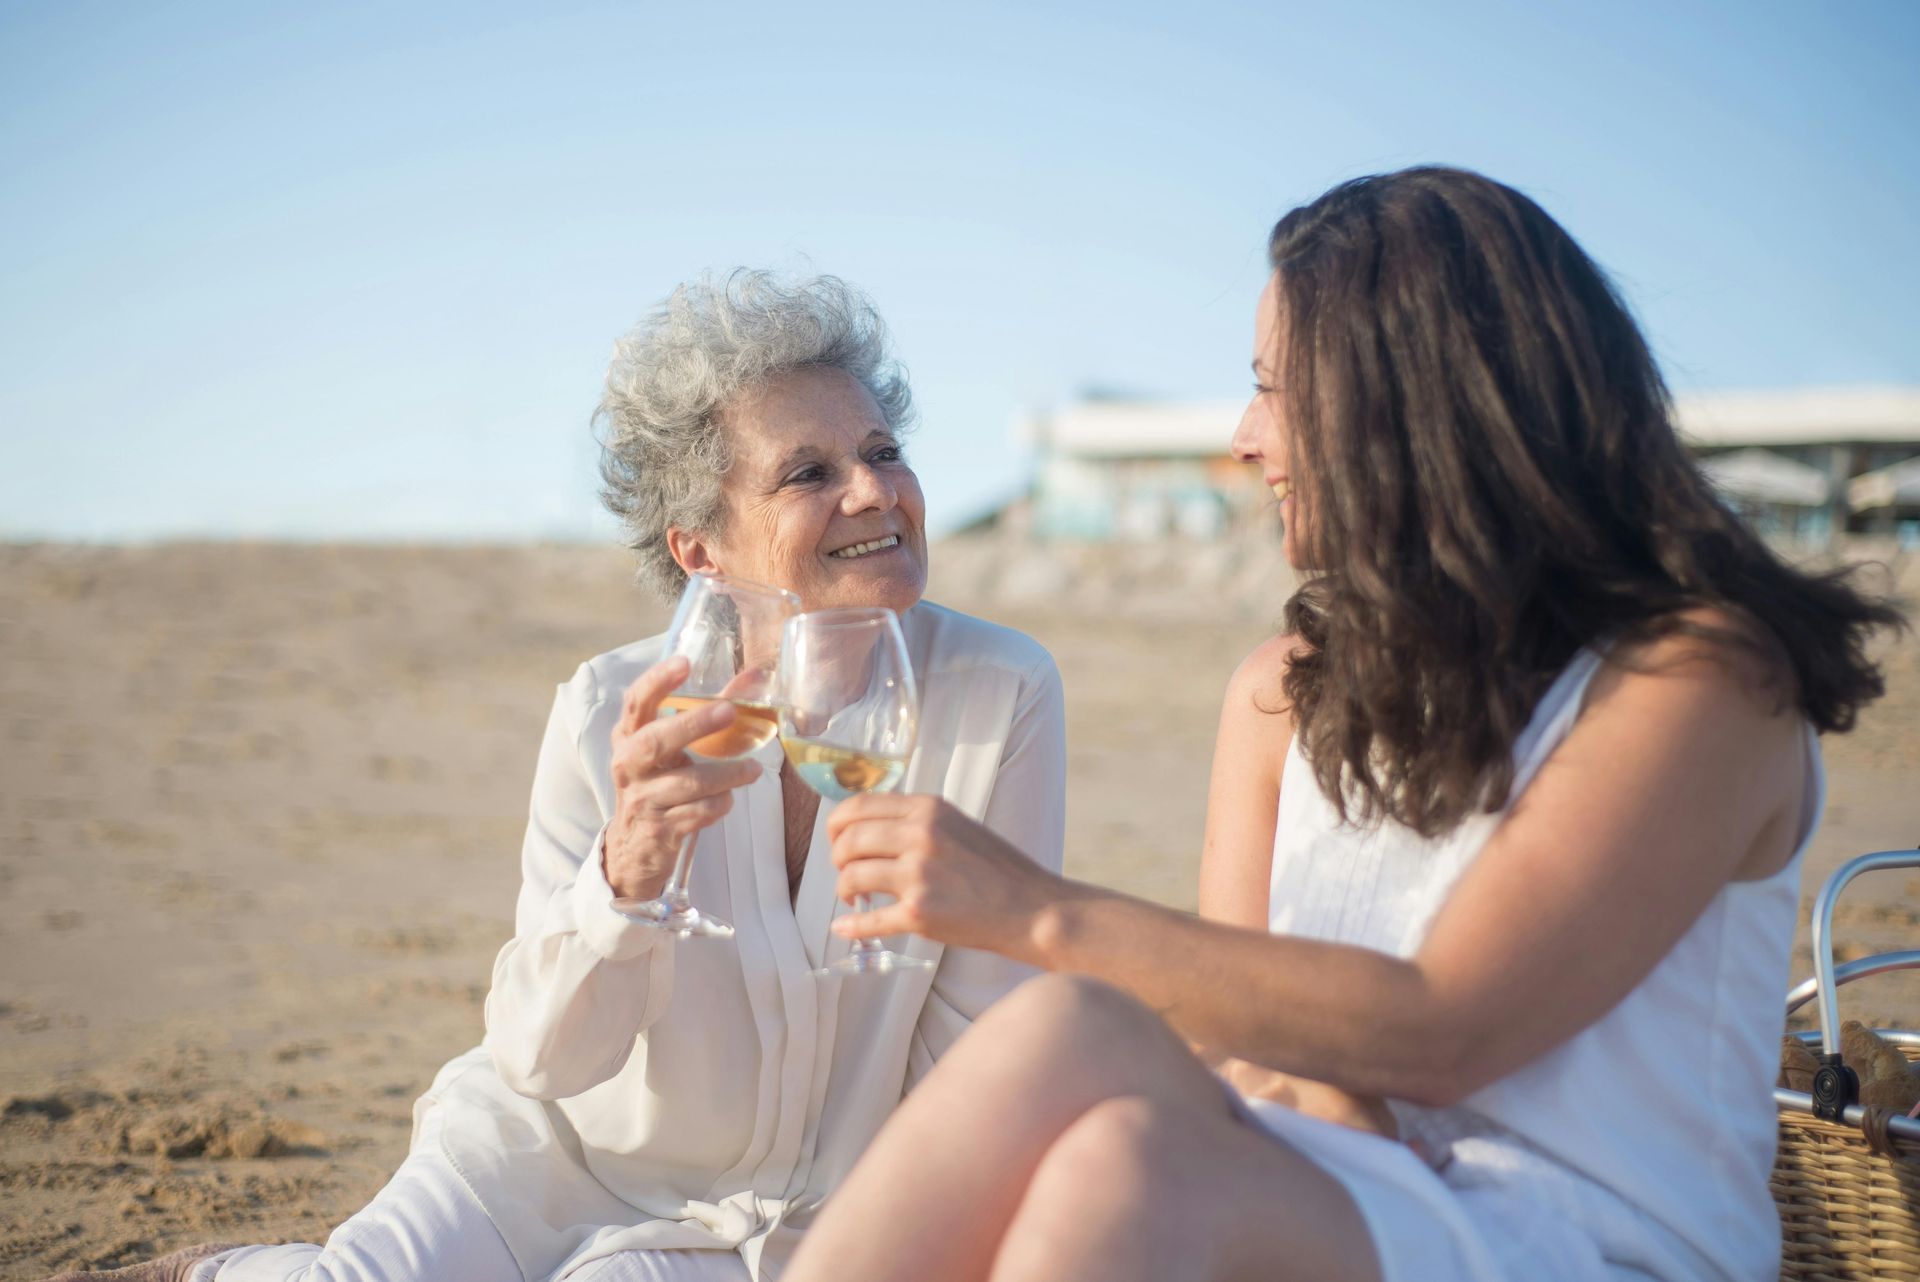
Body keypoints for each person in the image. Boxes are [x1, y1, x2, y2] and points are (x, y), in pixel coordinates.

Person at [777, 168, 1904, 1282]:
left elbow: (1449, 1027)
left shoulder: (1698, 681)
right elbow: (1246, 1036)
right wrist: (1326, 1132)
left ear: (1415, 400)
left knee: (1133, 1171)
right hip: (1357, 1184)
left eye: (1274, 386)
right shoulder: (1285, 690)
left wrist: (1035, 909)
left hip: (1592, 1242)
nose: (1242, 438)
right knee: (1061, 1038)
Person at [63, 272, 1066, 1282]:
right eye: (807, 473)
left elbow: (976, 1048)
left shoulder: (999, 693)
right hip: (550, 1166)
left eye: (883, 451)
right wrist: (626, 874)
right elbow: (541, 1059)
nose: (873, 490)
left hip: (801, 1233)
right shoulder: (608, 711)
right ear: (699, 550)